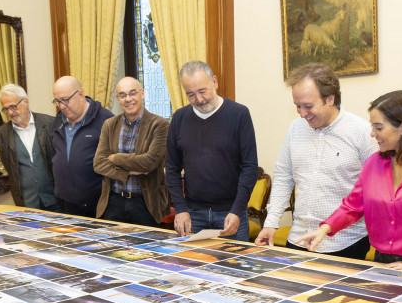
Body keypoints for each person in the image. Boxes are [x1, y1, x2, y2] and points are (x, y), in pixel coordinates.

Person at [297, 90, 402, 272]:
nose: (372, 134)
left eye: (378, 128)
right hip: (384, 261)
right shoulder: (373, 163)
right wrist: (324, 228)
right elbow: (353, 206)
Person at [255, 63, 376, 259]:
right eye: (297, 106)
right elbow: (284, 176)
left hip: (345, 243)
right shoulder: (296, 128)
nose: (302, 114)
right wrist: (271, 223)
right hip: (299, 238)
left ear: (330, 98)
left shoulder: (362, 132)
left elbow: (373, 189)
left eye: (308, 106)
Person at [166, 60, 258, 241]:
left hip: (230, 213)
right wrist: (180, 208)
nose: (198, 100)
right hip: (193, 214)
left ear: (214, 82)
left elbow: (249, 167)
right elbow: (172, 169)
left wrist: (237, 210)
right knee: (194, 267)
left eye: (202, 91)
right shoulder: (179, 118)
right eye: (190, 95)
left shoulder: (239, 114)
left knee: (234, 267)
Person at [93, 77, 170, 227]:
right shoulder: (109, 125)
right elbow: (98, 163)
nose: (128, 99)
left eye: (133, 93)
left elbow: (149, 163)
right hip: (113, 201)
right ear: (118, 99)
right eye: (122, 95)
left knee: (147, 249)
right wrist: (129, 172)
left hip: (146, 203)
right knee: (111, 249)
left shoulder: (160, 125)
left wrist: (115, 158)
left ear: (142, 93)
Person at [49, 75, 114, 217]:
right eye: (57, 101)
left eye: (65, 100)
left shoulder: (105, 119)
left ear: (80, 94)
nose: (61, 106)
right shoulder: (58, 121)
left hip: (99, 205)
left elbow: (115, 162)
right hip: (66, 205)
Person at [0, 84, 59, 211]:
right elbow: (9, 165)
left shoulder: (50, 123)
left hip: (56, 200)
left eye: (13, 106)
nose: (10, 112)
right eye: (6, 109)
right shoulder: (3, 133)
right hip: (26, 204)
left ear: (25, 101)